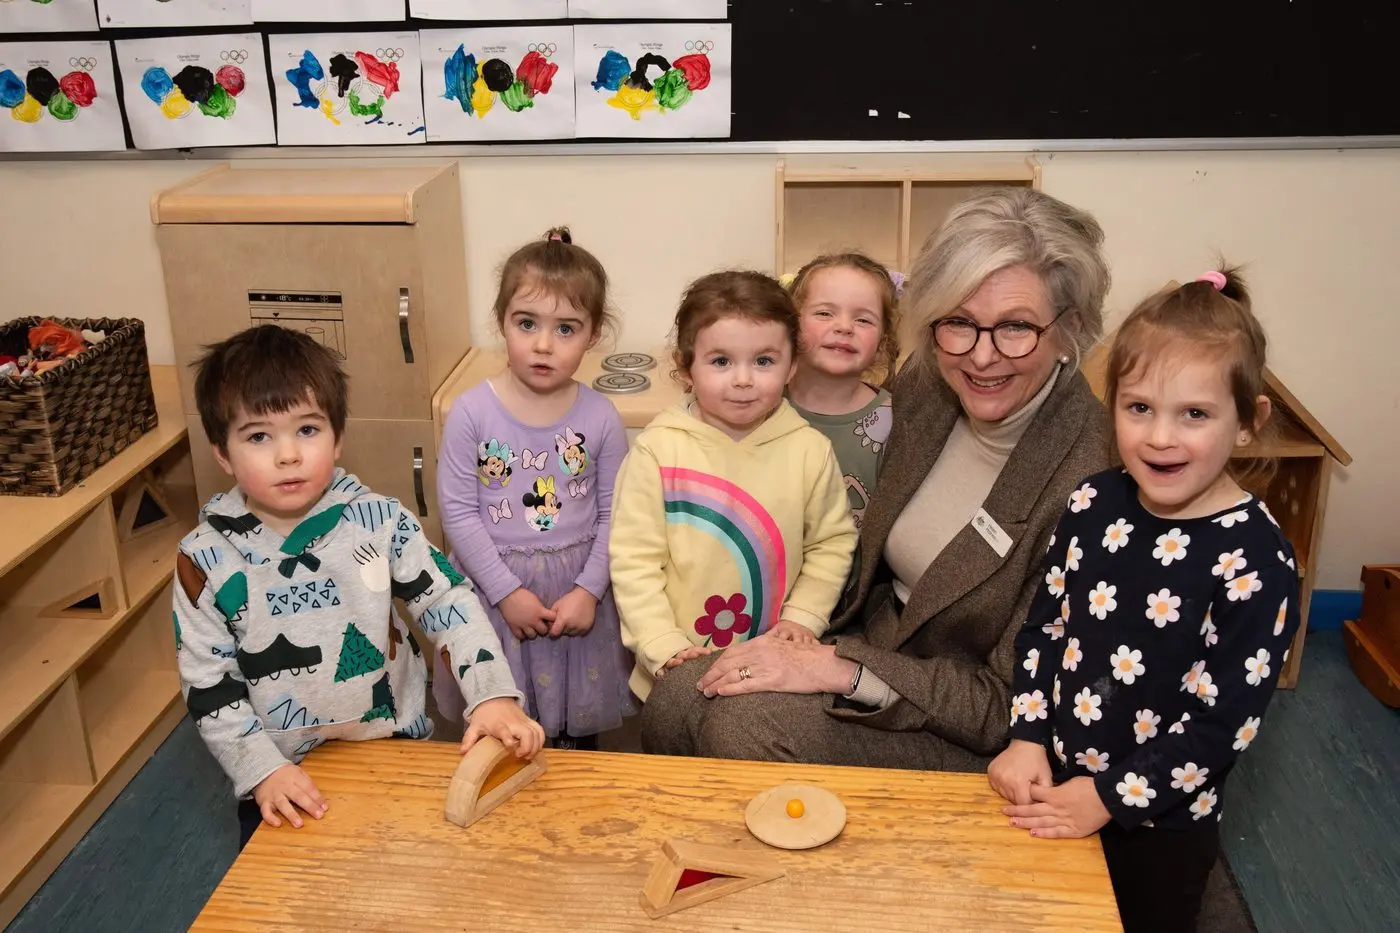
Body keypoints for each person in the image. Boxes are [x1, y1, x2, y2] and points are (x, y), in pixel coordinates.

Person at [641, 188, 1112, 771]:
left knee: (742, 723)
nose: (981, 357)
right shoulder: (932, 382)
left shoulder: (1093, 483)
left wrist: (839, 669)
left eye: (1015, 327)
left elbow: (1011, 706)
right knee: (678, 695)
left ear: (1071, 329)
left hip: (963, 719)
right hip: (875, 644)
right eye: (959, 322)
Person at [991, 268, 1300, 933]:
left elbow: (1222, 726)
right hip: (1053, 779)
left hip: (1162, 825)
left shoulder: (1257, 558)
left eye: (1194, 413)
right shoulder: (1091, 502)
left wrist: (1106, 796)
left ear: (1249, 421)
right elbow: (1043, 629)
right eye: (1139, 408)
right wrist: (1026, 734)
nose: (1161, 436)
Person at [175, 325, 542, 850]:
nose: (287, 455)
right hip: (280, 775)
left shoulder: (380, 520)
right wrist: (260, 770)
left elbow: (449, 601)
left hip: (395, 748)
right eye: (259, 436)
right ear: (222, 454)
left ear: (338, 435)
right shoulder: (204, 558)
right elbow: (208, 681)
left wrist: (491, 695)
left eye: (307, 430)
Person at [610, 270, 857, 701]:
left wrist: (803, 618)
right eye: (721, 361)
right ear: (686, 367)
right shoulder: (657, 451)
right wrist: (661, 644)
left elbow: (831, 543)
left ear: (792, 366)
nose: (743, 379)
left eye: (763, 361)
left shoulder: (809, 451)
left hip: (775, 669)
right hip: (678, 668)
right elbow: (633, 562)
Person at [436, 227, 634, 750]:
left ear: (593, 336)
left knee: (574, 738)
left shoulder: (602, 416)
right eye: (527, 324)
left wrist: (589, 591)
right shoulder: (470, 412)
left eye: (566, 328)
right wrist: (506, 594)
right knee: (499, 731)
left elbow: (619, 513)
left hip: (576, 593)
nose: (544, 345)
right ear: (503, 322)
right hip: (494, 590)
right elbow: (457, 513)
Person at [785, 251, 899, 533]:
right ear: (790, 322)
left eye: (863, 320)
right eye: (824, 313)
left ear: (883, 340)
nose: (844, 327)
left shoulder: (895, 424)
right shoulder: (756, 407)